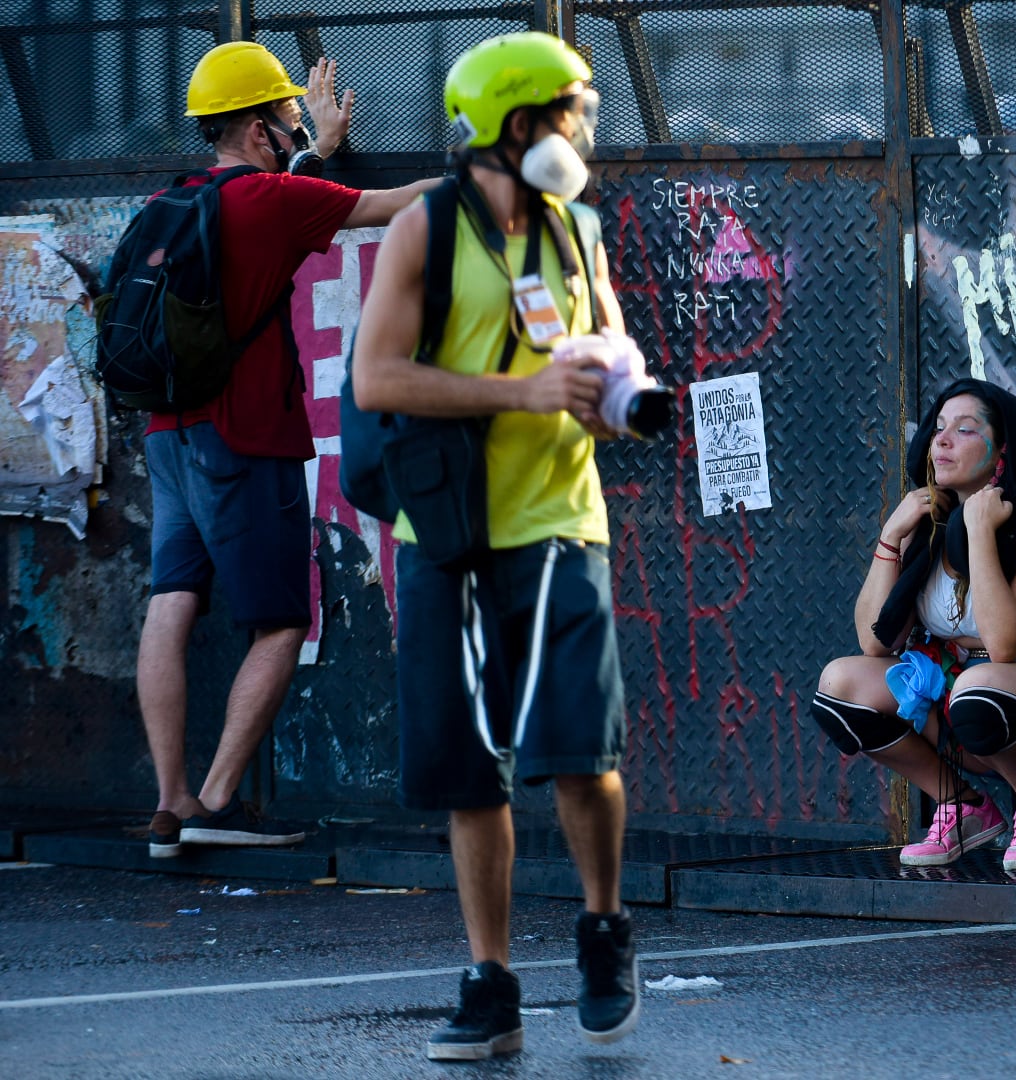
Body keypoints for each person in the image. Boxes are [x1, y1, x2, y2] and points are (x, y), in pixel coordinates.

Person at [352, 31, 648, 1062]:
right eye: (570, 111)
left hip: (562, 520)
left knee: (581, 749)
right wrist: (518, 391)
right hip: (447, 528)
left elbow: (609, 349)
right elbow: (377, 379)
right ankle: (492, 981)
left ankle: (604, 928)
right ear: (519, 125)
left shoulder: (576, 233)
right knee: (467, 766)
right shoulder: (425, 233)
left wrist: (619, 397)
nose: (583, 130)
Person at [141, 43, 441, 859]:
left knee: (173, 598)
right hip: (246, 438)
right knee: (280, 621)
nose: (292, 123)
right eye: (285, 115)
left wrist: (317, 152)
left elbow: (284, 202)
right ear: (255, 125)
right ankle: (216, 800)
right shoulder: (270, 201)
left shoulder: (181, 200)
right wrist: (498, 173)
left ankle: (169, 803)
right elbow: (393, 206)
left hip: (169, 434)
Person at [811, 379, 1016, 871]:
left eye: (965, 429)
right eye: (938, 429)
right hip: (971, 707)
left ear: (1002, 452)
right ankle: (961, 806)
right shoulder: (929, 525)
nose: (941, 439)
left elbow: (1002, 644)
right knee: (839, 686)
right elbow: (874, 643)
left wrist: (979, 529)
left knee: (979, 683)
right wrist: (892, 534)